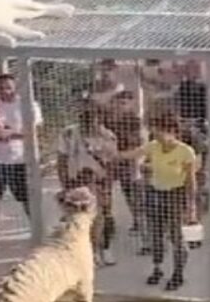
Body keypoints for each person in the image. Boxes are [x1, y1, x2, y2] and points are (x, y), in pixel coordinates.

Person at [116, 112, 198, 291]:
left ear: (172, 131)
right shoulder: (154, 146)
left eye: (161, 131)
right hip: (155, 193)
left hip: (176, 194)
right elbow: (130, 155)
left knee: (177, 236)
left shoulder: (186, 151)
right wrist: (111, 152)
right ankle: (158, 268)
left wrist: (191, 207)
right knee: (156, 233)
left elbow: (191, 180)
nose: (157, 135)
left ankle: (178, 273)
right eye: (156, 130)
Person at [0, 73, 43, 244]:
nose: (5, 91)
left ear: (15, 86)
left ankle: (36, 229)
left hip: (19, 159)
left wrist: (11, 134)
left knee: (27, 196)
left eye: (8, 87)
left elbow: (34, 131)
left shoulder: (28, 105)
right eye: (0, 88)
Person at [56, 101, 118, 265]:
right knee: (77, 218)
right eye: (85, 116)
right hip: (76, 181)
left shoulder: (108, 136)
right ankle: (84, 252)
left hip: (99, 182)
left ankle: (104, 249)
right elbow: (61, 160)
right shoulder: (69, 133)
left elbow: (111, 164)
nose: (89, 121)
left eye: (93, 116)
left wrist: (108, 188)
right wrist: (64, 185)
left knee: (103, 217)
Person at [102, 90, 145, 240]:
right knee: (105, 190)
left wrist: (131, 158)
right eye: (118, 102)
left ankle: (138, 220)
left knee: (131, 192)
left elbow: (137, 142)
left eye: (124, 103)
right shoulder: (107, 120)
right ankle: (108, 220)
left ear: (130, 104)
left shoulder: (134, 120)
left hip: (127, 159)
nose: (120, 106)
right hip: (109, 160)